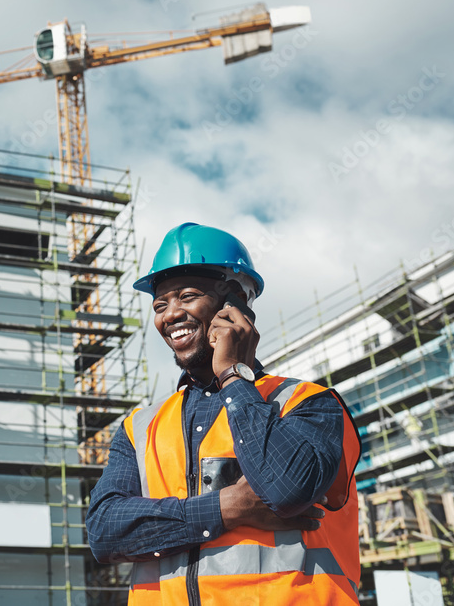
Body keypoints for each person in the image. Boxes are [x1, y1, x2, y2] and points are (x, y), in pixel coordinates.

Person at [85, 222, 361, 605]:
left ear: (235, 304)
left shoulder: (306, 402)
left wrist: (232, 374)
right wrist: (226, 507)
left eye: (187, 296)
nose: (171, 315)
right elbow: (104, 532)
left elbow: (285, 491)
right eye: (160, 305)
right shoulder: (140, 427)